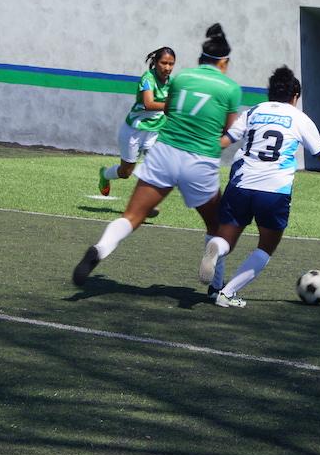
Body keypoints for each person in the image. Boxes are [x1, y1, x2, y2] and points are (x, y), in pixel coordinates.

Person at [73, 24, 242, 296]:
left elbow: (172, 111)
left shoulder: (181, 78)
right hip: (200, 159)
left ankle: (100, 248)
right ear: (224, 62)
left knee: (132, 216)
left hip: (164, 151)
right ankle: (215, 288)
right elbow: (230, 129)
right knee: (217, 226)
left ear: (200, 59)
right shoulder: (231, 88)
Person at [199, 66, 320, 308]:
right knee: (266, 246)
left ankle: (218, 246)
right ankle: (227, 293)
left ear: (270, 93)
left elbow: (225, 141)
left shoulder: (253, 112)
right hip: (274, 189)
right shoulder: (300, 118)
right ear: (295, 96)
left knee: (227, 238)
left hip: (241, 184)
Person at [98, 47, 176, 208]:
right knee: (126, 172)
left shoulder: (172, 83)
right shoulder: (148, 78)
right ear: (155, 62)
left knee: (158, 168)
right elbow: (148, 104)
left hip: (154, 132)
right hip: (134, 131)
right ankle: (105, 174)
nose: (167, 68)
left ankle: (147, 205)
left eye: (171, 64)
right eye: (164, 63)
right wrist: (172, 106)